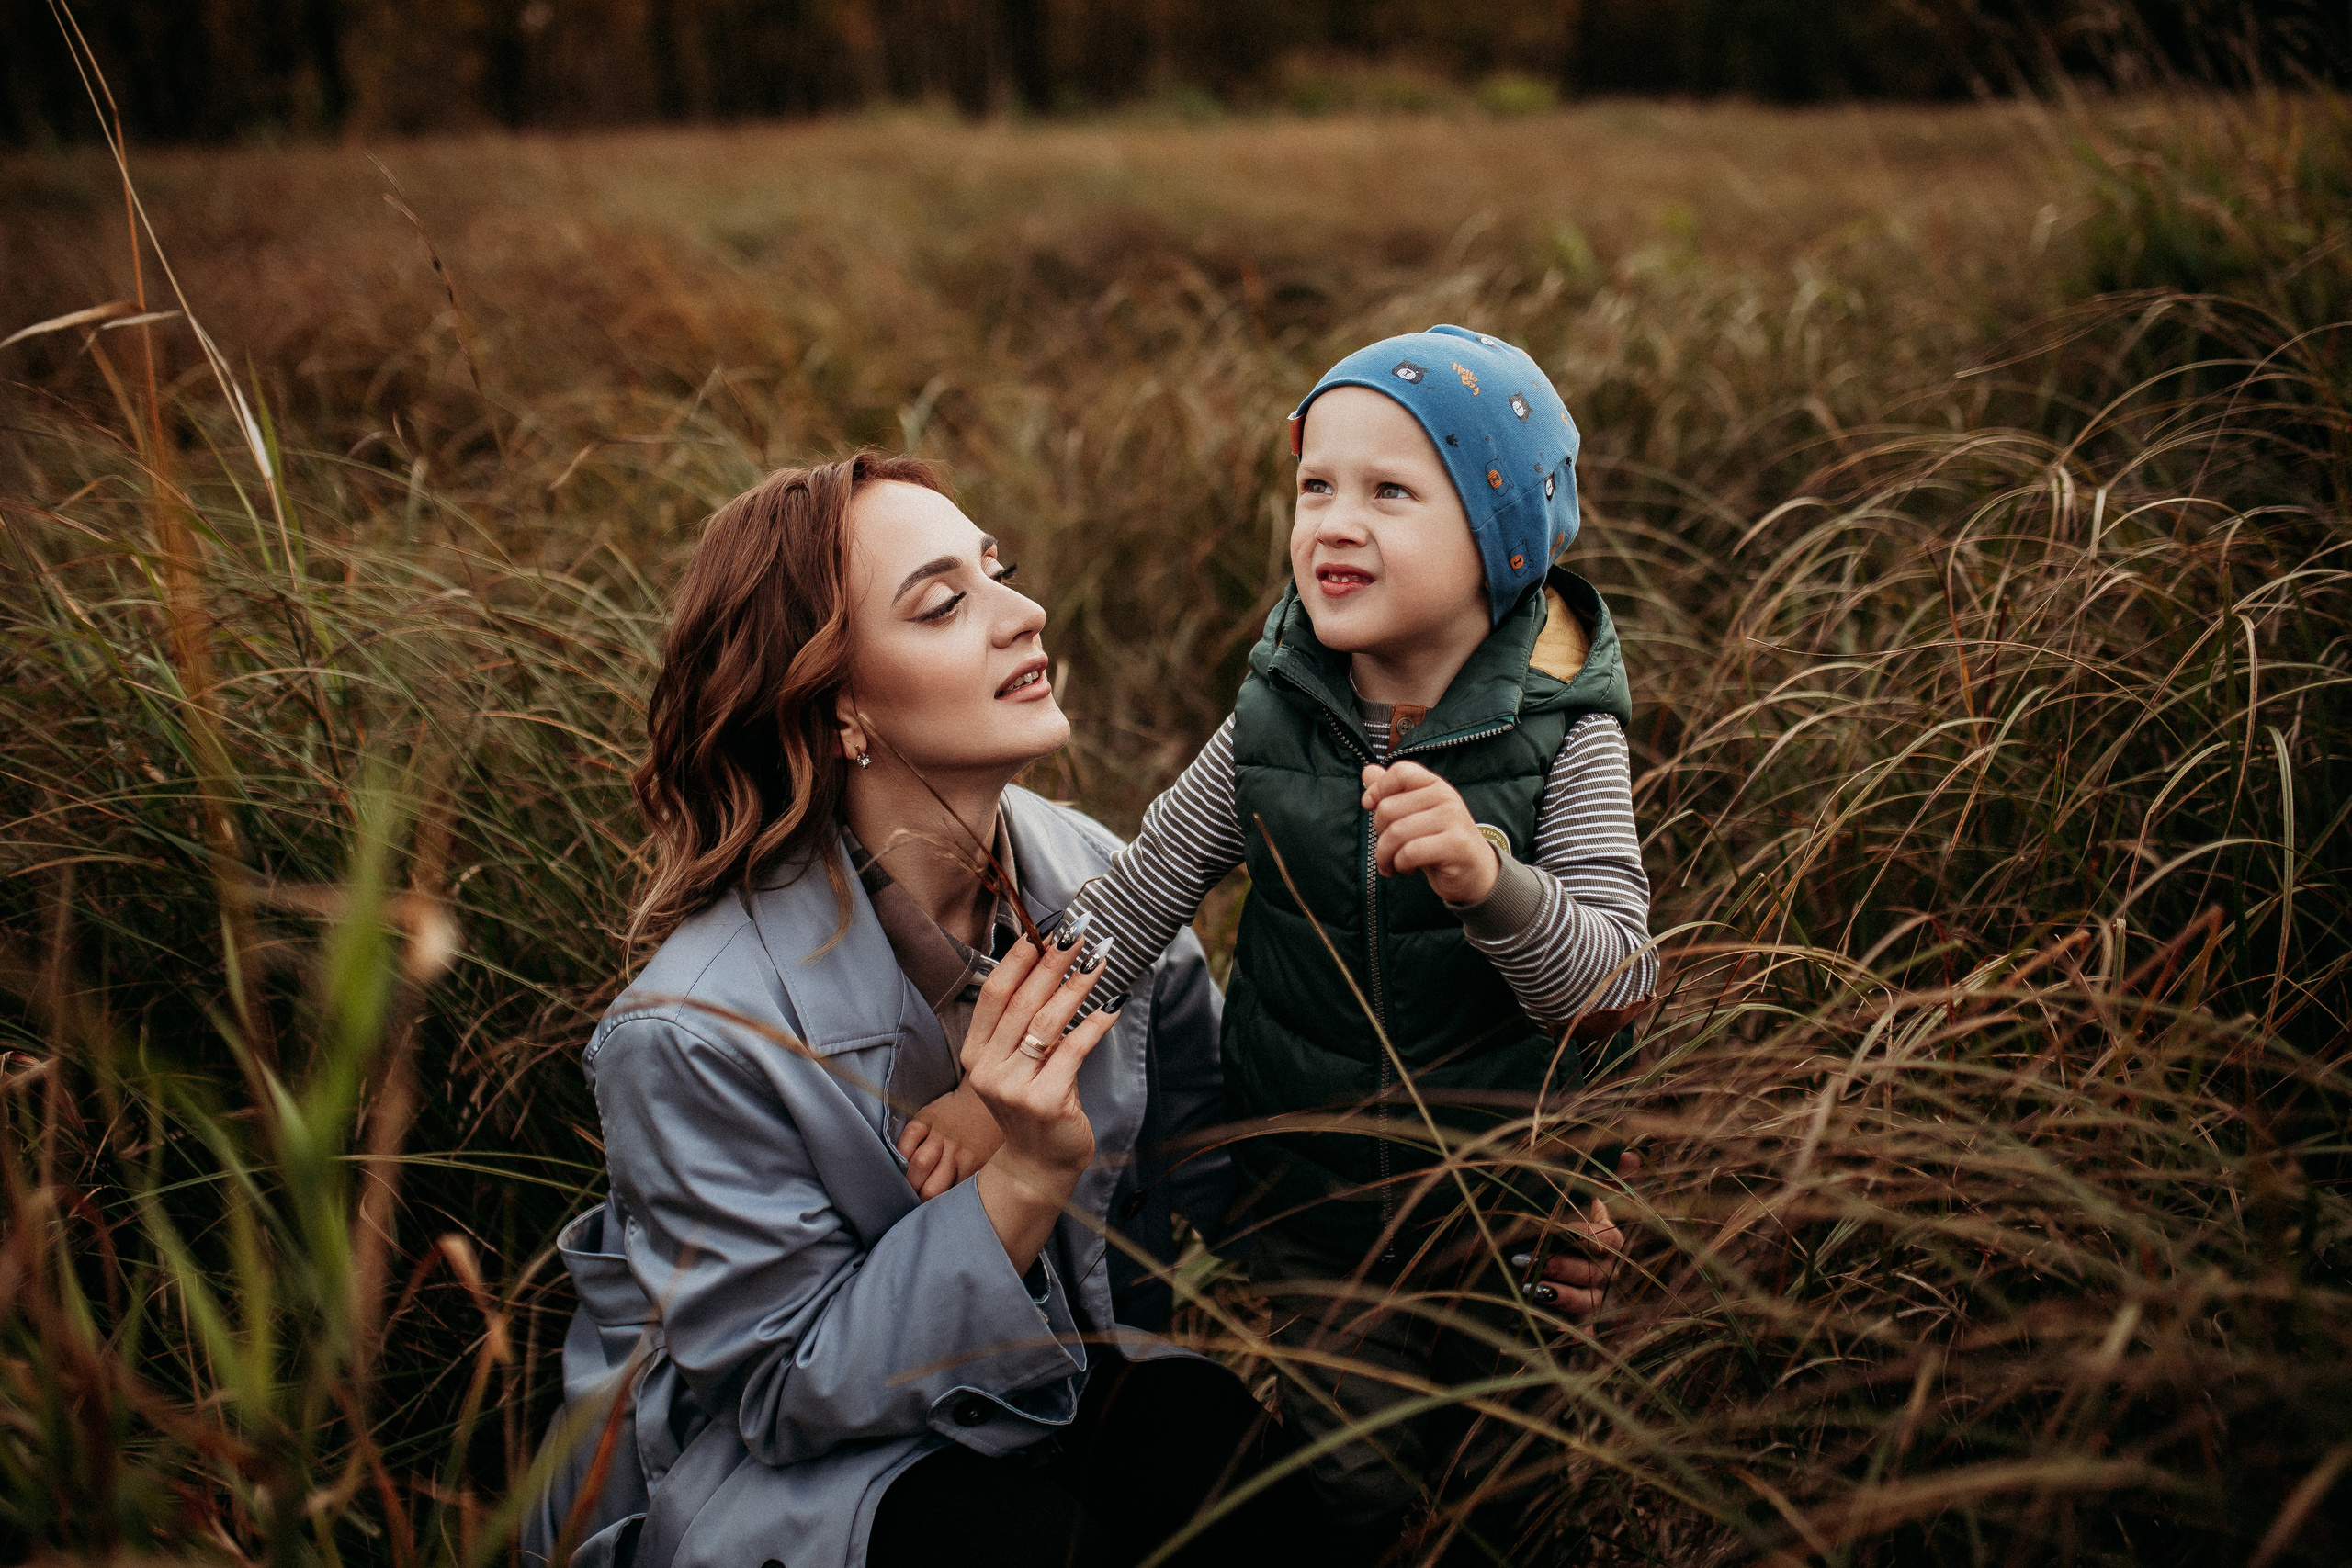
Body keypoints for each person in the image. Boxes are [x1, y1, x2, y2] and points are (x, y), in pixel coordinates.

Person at [522, 454, 1315, 1568]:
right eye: (944, 603)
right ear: (838, 703)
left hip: (1049, 1384)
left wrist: (1505, 1238)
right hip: (778, 1482)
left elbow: (1247, 1176)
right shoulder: (691, 1031)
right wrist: (1021, 1182)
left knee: (1239, 1471)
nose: (1025, 614)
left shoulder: (1105, 884)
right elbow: (780, 1389)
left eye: (1000, 571)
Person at [1054, 325, 1655, 1555]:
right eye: (1313, 484)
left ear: (1502, 538)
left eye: (1391, 490)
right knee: (1356, 1481)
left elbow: (1613, 977)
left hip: (1509, 1211)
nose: (1333, 519)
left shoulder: (1564, 731)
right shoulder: (1281, 708)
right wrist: (1012, 1060)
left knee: (1513, 1483)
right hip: (1319, 1208)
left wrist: (1491, 880)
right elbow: (1144, 885)